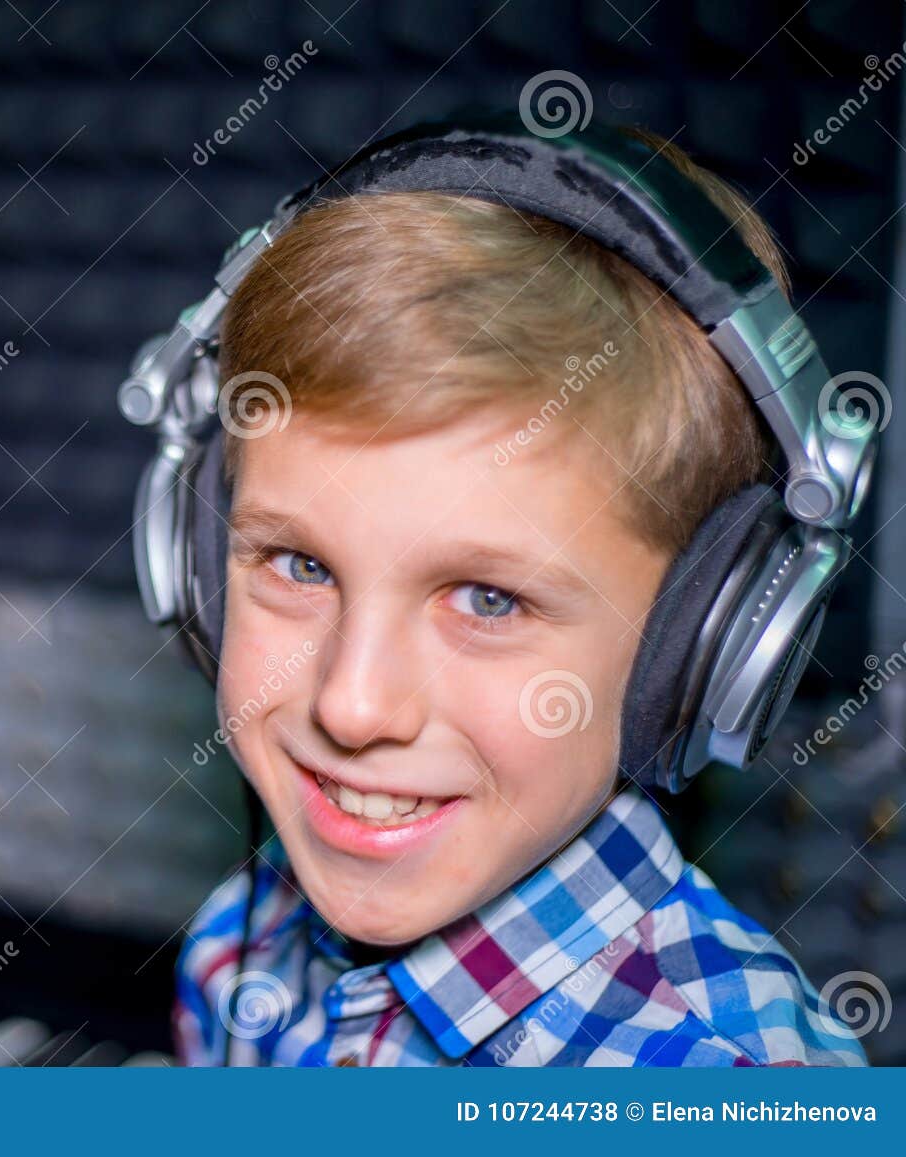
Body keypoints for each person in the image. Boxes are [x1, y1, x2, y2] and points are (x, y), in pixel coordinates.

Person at [169, 123, 871, 1067]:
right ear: (200, 568)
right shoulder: (235, 947)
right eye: (300, 566)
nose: (351, 703)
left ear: (702, 650)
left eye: (488, 600)